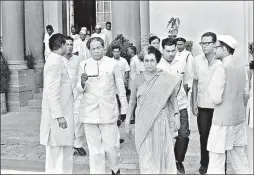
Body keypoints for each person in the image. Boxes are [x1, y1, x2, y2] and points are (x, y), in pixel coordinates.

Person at [125, 46, 181, 174]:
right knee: (145, 156)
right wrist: (127, 121)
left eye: (152, 61)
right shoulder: (137, 79)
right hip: (142, 120)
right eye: (146, 61)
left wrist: (177, 115)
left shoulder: (165, 78)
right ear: (142, 61)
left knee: (161, 153)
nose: (149, 64)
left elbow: (173, 98)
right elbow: (132, 101)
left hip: (160, 121)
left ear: (157, 61)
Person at [76, 37, 128, 174]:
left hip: (108, 111)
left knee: (112, 146)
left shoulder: (112, 64)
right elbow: (78, 90)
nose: (96, 51)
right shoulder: (83, 64)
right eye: (93, 48)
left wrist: (124, 108)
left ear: (104, 48)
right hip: (89, 111)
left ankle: (115, 169)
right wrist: (82, 82)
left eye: (98, 47)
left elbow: (120, 87)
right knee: (95, 151)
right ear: (89, 50)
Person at [207, 35, 249, 174]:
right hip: (238, 119)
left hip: (222, 120)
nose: (214, 49)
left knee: (216, 159)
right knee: (239, 158)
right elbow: (245, 92)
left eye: (217, 47)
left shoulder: (221, 68)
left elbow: (215, 98)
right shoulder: (242, 69)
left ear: (224, 49)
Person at [40, 33, 74, 174]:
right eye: (66, 44)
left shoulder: (59, 60)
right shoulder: (54, 63)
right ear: (61, 45)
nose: (69, 47)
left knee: (65, 152)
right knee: (56, 155)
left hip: (64, 112)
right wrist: (59, 116)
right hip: (57, 117)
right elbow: (51, 92)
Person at [157, 38, 191, 174]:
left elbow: (187, 81)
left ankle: (178, 161)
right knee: (165, 136)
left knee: (183, 134)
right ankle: (166, 162)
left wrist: (182, 94)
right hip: (163, 107)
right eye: (168, 51)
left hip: (181, 104)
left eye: (173, 50)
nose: (171, 54)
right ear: (162, 50)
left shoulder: (182, 62)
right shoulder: (158, 65)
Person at [191, 32, 222, 174]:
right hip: (202, 106)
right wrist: (194, 103)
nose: (203, 46)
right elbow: (195, 82)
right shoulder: (197, 60)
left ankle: (219, 166)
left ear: (215, 44)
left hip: (219, 107)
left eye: (207, 43)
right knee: (204, 136)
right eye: (202, 43)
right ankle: (205, 163)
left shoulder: (221, 61)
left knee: (218, 137)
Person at [63, 36, 87, 156]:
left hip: (77, 93)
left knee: (78, 119)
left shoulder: (77, 60)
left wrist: (79, 89)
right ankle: (67, 145)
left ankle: (78, 144)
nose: (69, 47)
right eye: (67, 44)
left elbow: (80, 75)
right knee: (66, 120)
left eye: (71, 44)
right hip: (63, 95)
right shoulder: (59, 60)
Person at [112, 44, 130, 123]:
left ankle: (123, 116)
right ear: (112, 52)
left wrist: (126, 80)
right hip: (113, 84)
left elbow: (127, 70)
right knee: (115, 101)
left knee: (122, 99)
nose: (116, 53)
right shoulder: (110, 61)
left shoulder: (123, 60)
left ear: (120, 52)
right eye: (114, 52)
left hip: (121, 83)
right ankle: (117, 117)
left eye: (118, 51)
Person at [126, 46, 144, 124]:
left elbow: (138, 72)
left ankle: (136, 118)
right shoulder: (132, 59)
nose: (127, 52)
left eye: (128, 50)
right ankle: (134, 117)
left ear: (132, 51)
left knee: (135, 101)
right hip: (132, 83)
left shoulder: (136, 60)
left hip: (135, 83)